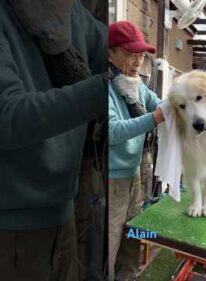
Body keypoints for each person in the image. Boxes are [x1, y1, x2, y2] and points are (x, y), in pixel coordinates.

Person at [0, 1, 107, 280]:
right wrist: (102, 90)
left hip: (64, 210)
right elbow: (7, 118)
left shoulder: (70, 11)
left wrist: (132, 53)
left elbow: (113, 47)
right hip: (12, 225)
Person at [108, 20, 164, 281]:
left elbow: (161, 104)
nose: (138, 61)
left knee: (134, 233)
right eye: (131, 54)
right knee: (110, 240)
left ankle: (128, 277)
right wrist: (155, 118)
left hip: (134, 174)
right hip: (109, 179)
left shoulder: (137, 84)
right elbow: (113, 131)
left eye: (141, 55)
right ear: (110, 52)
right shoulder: (104, 85)